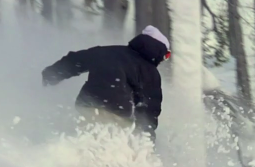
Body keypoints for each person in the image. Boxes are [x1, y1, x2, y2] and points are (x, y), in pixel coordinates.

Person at [41, 25, 171, 142]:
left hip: (88, 105)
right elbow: (149, 109)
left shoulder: (108, 51)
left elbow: (75, 61)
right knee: (110, 148)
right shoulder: (151, 73)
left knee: (82, 138)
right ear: (159, 52)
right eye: (166, 56)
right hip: (118, 115)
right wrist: (147, 139)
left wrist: (50, 76)